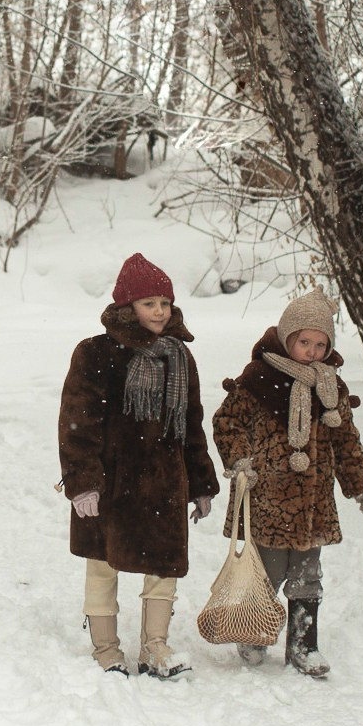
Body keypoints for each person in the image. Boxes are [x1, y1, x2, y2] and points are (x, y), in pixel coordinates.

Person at [59, 252, 220, 678]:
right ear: (128, 307)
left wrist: (201, 483)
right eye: (150, 303)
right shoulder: (95, 353)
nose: (160, 311)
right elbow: (78, 422)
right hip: (110, 482)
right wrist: (83, 484)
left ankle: (156, 648)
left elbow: (191, 424)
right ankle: (106, 649)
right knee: (102, 565)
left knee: (163, 567)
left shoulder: (179, 358)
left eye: (165, 303)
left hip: (163, 484)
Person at [212, 289, 363, 678]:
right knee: (268, 572)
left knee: (307, 577)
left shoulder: (331, 389)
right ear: (288, 337)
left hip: (313, 506)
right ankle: (253, 631)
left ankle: (304, 645)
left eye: (320, 344)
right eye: (304, 342)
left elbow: (346, 442)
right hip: (269, 496)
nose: (312, 351)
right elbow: (226, 423)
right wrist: (241, 460)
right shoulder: (257, 381)